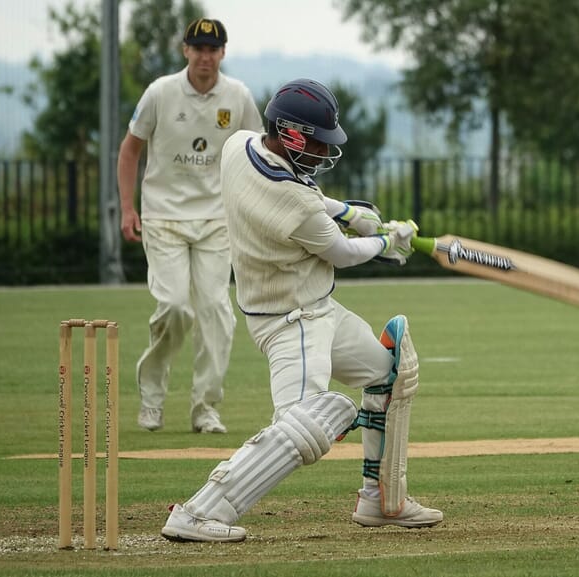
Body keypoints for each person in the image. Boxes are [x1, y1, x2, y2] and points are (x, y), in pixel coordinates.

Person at [159, 78, 443, 542]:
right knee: (309, 422)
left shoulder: (239, 145)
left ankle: (381, 501)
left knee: (388, 374)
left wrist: (349, 212)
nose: (322, 151)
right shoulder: (293, 203)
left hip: (318, 309)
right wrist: (388, 242)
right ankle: (197, 511)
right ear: (290, 134)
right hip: (291, 323)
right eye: (315, 140)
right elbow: (342, 253)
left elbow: (314, 201)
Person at [118, 18, 263, 434]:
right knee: (176, 307)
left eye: (212, 49)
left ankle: (205, 407)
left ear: (222, 53)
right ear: (185, 51)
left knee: (216, 311)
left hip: (218, 220)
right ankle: (152, 399)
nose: (205, 56)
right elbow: (129, 152)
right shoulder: (160, 93)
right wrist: (128, 208)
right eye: (198, 48)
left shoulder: (237, 97)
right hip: (164, 217)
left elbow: (257, 157)